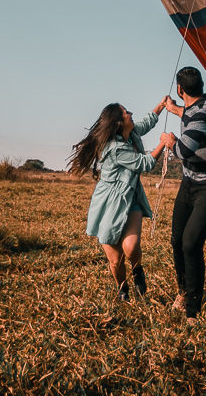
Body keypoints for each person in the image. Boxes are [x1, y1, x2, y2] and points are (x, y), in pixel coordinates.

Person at [70, 100, 176, 302]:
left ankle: (138, 272)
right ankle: (123, 290)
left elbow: (146, 122)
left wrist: (162, 106)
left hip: (131, 196)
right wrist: (163, 142)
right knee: (116, 259)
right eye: (126, 112)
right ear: (118, 122)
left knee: (132, 246)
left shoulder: (132, 133)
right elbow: (144, 163)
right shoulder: (115, 148)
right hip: (109, 203)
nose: (130, 113)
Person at [162, 66, 206, 319]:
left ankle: (193, 311)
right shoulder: (198, 106)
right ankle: (183, 291)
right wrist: (173, 109)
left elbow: (183, 151)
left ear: (180, 89)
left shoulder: (205, 113)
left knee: (191, 243)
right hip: (190, 181)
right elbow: (188, 112)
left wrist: (169, 142)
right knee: (176, 240)